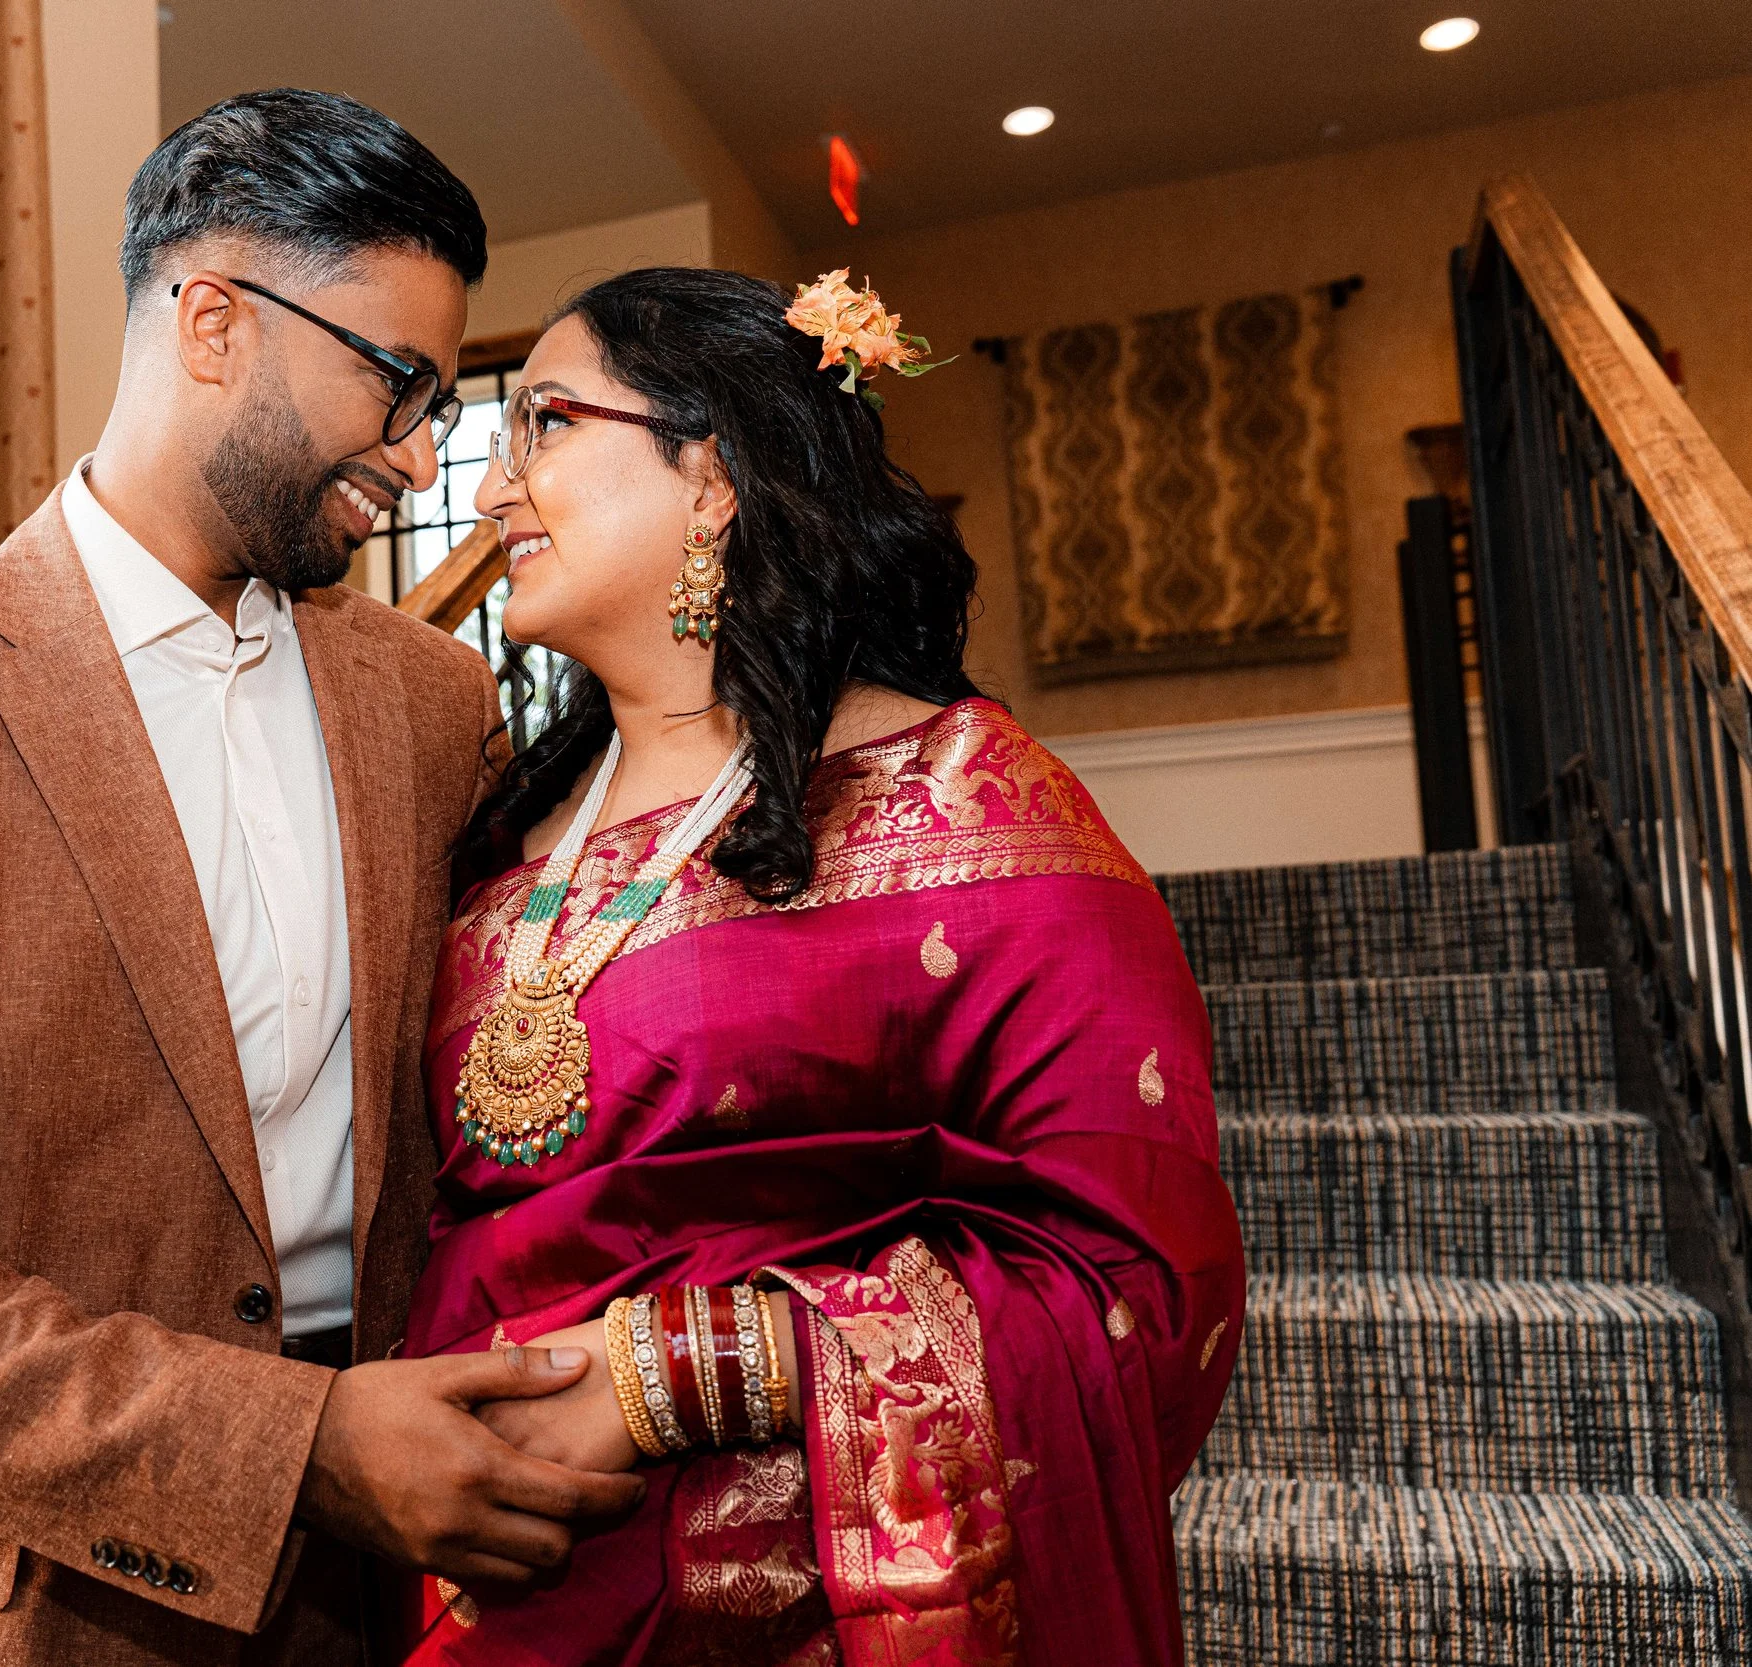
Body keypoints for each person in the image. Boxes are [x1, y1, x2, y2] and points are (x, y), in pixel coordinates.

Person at [0, 90, 644, 1667]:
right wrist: (289, 1448)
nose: (419, 453)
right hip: (10, 1617)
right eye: (395, 382)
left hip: (370, 1602)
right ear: (212, 323)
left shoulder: (433, 703)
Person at [397, 266, 1244, 1666]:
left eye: (544, 421)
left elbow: (1133, 1281)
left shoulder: (970, 813)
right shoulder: (492, 831)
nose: (490, 490)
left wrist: (687, 1371)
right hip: (458, 1584)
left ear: (714, 471)